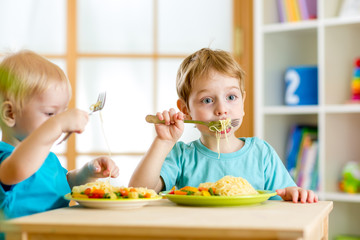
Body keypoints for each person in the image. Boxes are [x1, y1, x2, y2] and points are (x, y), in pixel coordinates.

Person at [129, 48, 318, 203]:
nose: (221, 110)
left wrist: (296, 193)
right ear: (186, 110)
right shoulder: (182, 156)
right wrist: (163, 141)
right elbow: (138, 191)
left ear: (243, 101)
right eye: (208, 100)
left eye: (231, 97)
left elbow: (285, 196)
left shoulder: (262, 154)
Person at [0, 50, 120, 220]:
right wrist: (57, 124)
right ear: (10, 114)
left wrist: (87, 173)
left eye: (62, 112)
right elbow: (19, 168)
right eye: (50, 113)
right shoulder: (6, 158)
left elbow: (64, 184)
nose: (59, 121)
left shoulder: (48, 158)